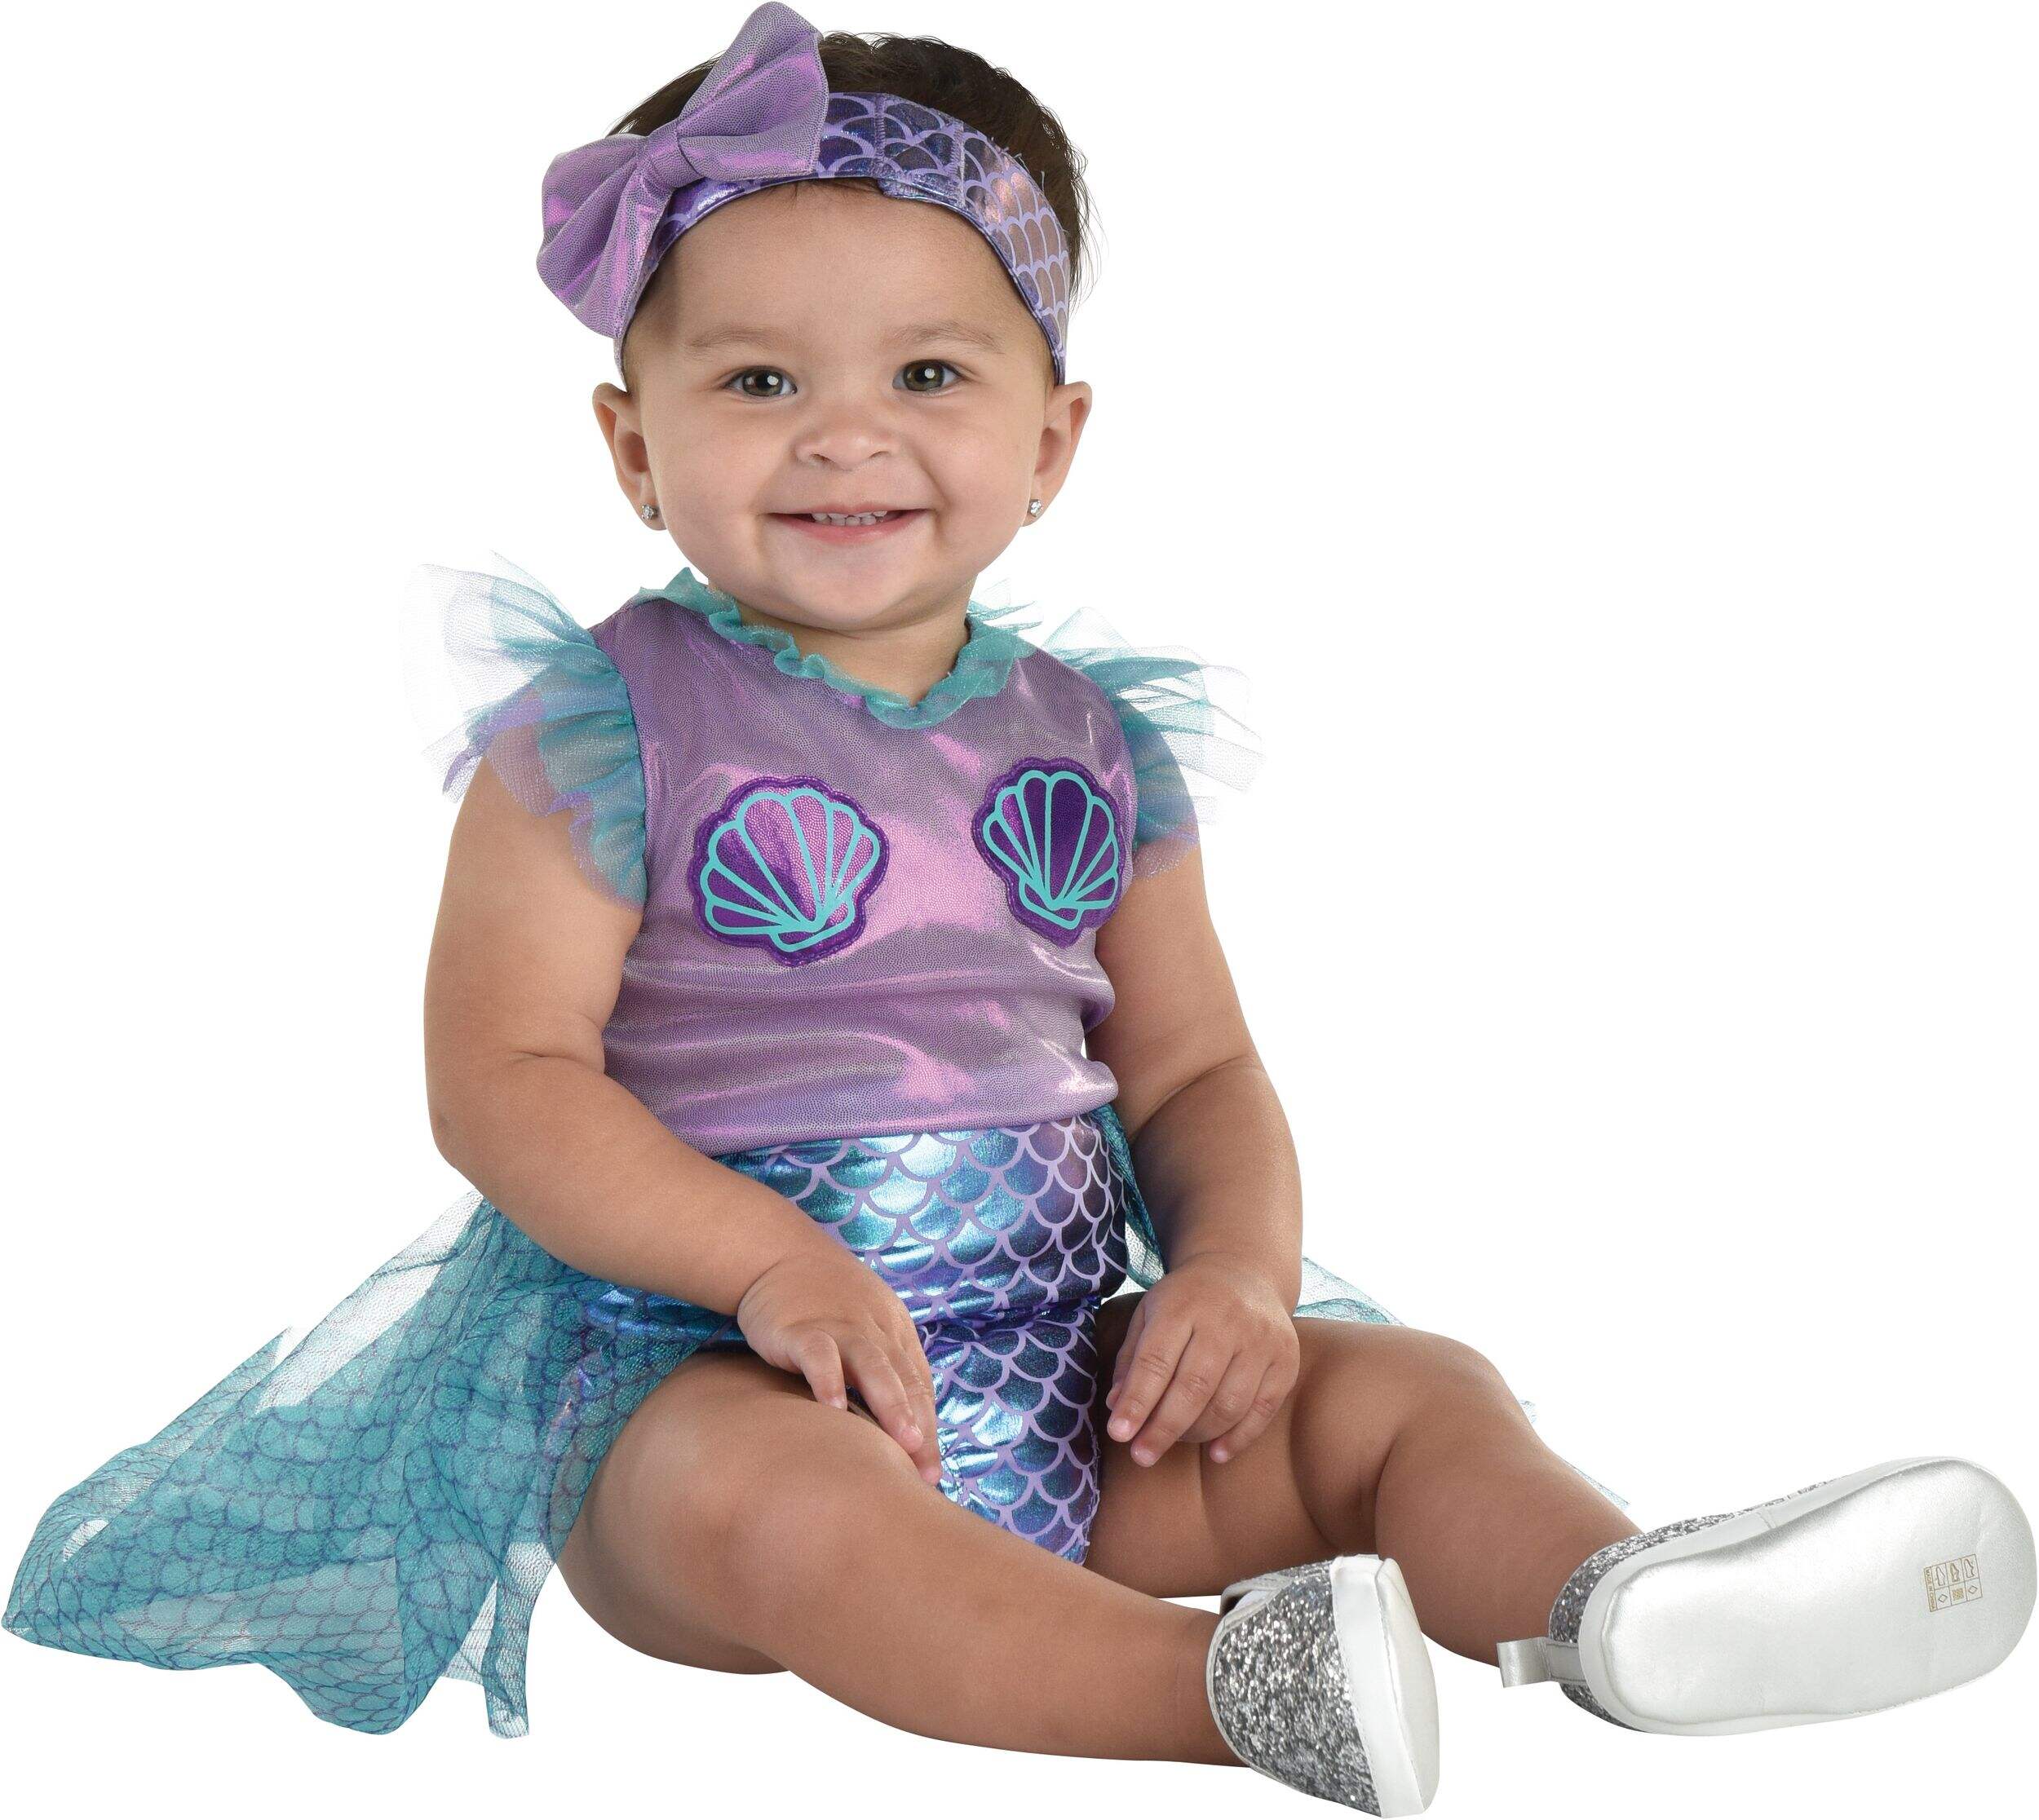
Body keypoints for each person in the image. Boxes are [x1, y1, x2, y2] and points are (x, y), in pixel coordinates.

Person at [6, 7, 2030, 1811]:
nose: (845, 431)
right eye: (757, 378)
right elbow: (505, 1080)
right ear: (632, 446)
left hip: (1078, 1370)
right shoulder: (607, 725)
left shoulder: (1091, 739)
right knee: (787, 1513)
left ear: (1049, 437)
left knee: (1403, 1395)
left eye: (926, 370)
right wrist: (768, 1269)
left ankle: (1620, 1609)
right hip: (707, 1376)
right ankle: (1231, 1693)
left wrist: (1235, 1279)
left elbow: (1196, 1070)